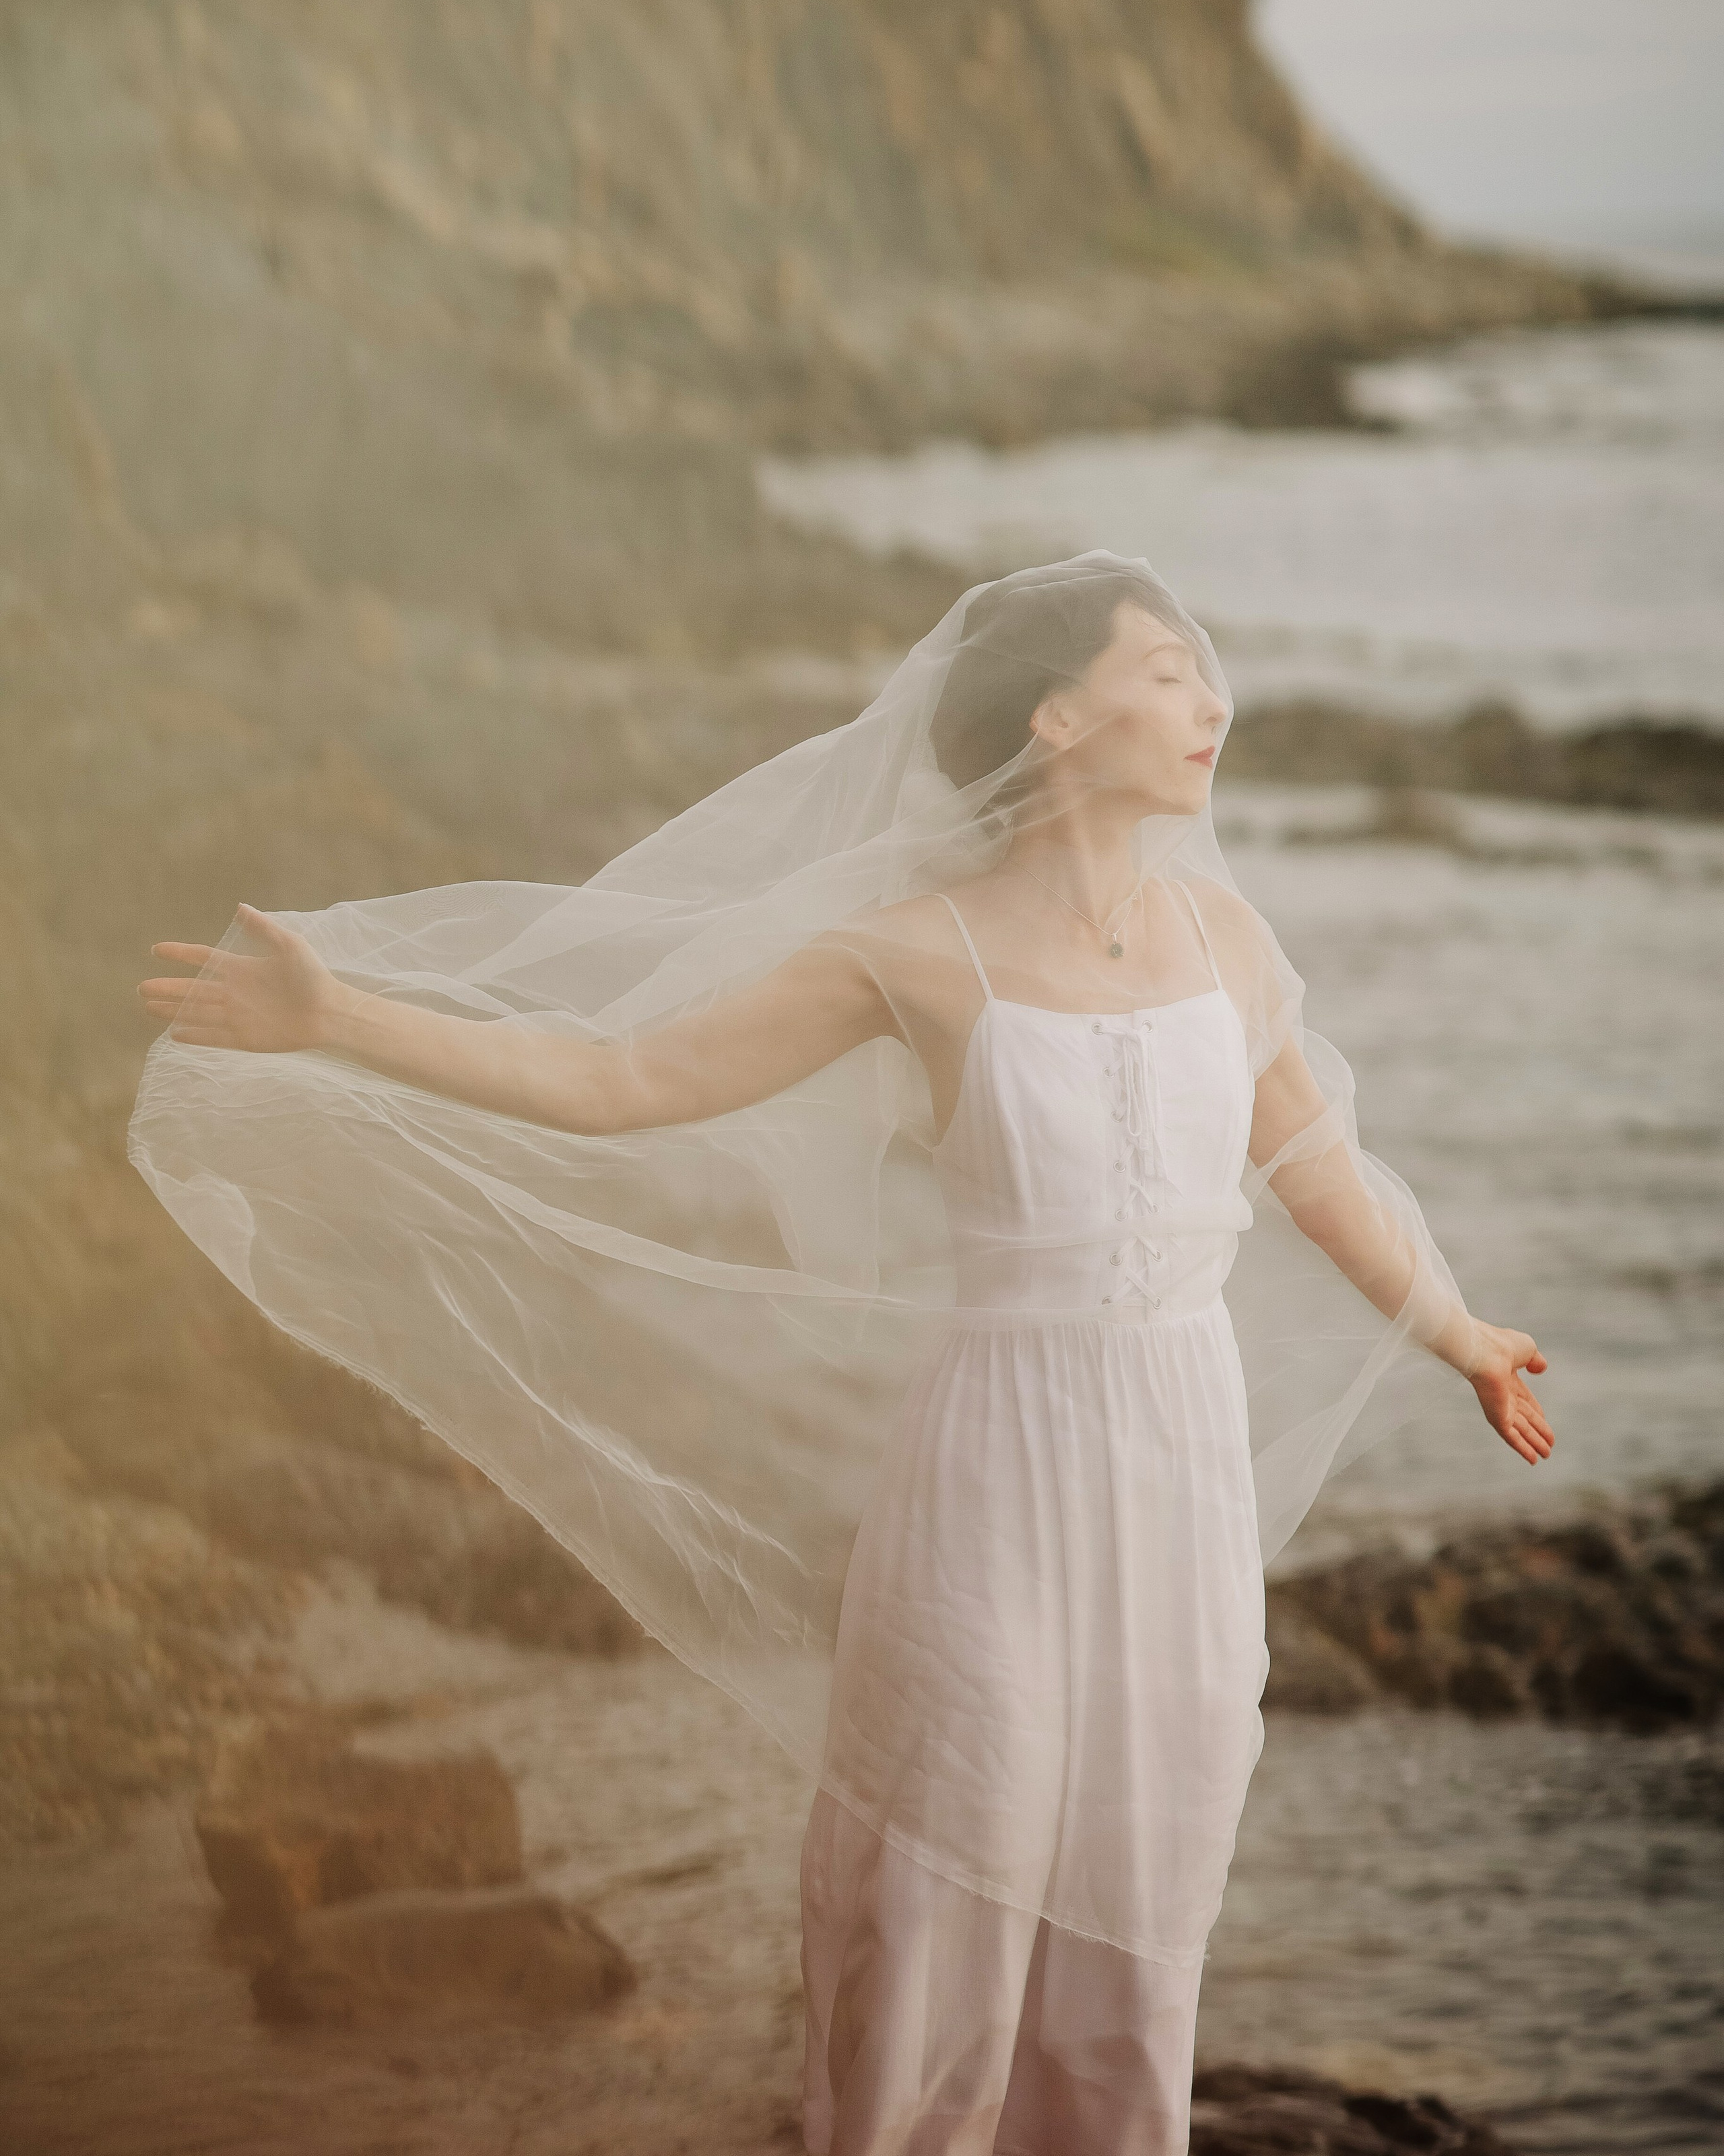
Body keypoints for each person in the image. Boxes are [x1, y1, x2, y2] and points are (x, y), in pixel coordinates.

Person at [135, 554, 1552, 2156]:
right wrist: (348, 1023)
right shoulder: (911, 954)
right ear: (1058, 715)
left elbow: (1315, 1172)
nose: (1210, 701)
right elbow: (622, 1081)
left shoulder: (1224, 941)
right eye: (1168, 670)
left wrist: (1456, 1330)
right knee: (950, 1877)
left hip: (1180, 1467)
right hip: (997, 1469)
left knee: (1139, 1906)